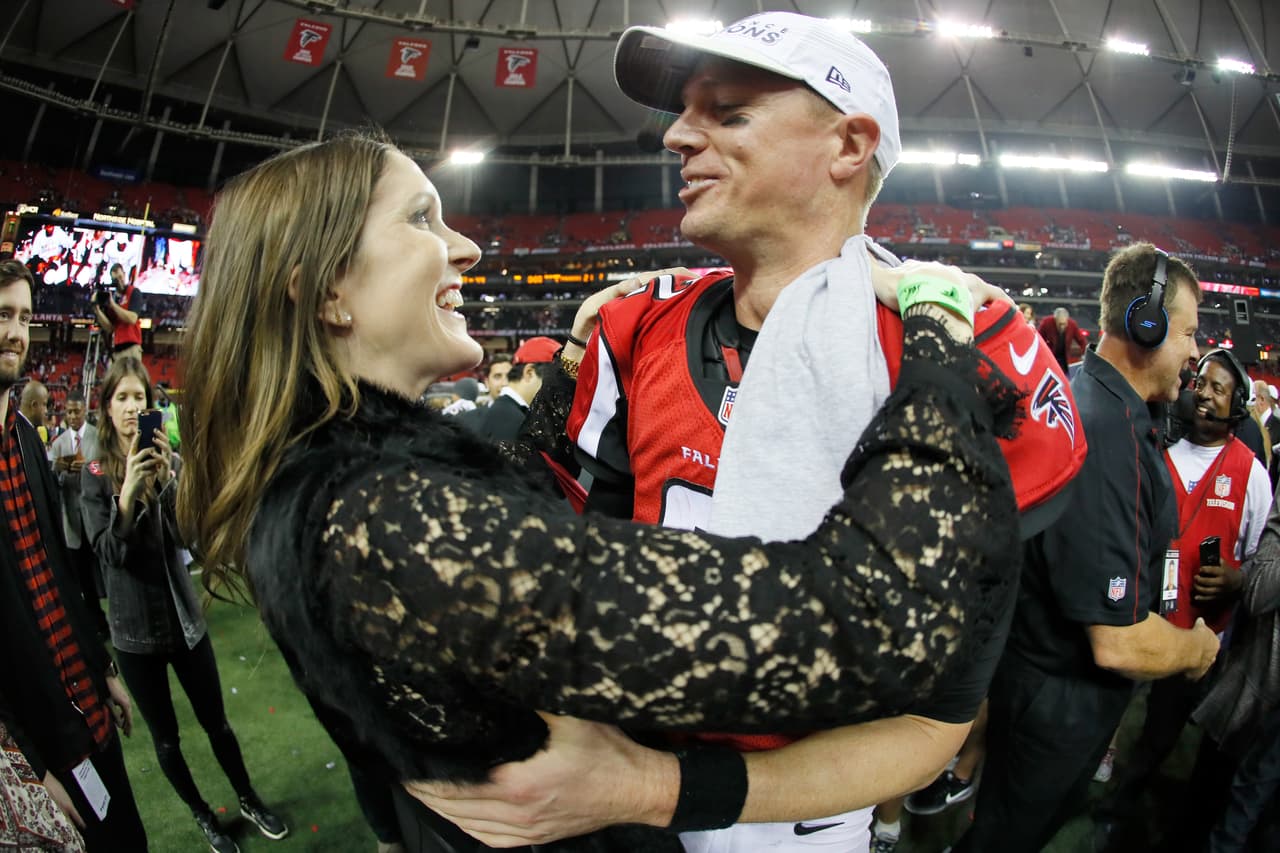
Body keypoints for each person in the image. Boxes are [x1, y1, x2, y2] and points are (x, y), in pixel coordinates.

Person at [175, 133, 1021, 853]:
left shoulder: (325, 473)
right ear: (324, 288)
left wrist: (578, 360)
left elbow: (503, 499)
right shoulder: (382, 521)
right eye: (420, 217)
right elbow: (868, 621)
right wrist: (940, 342)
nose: (465, 247)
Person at [412, 14, 1083, 853]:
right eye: (685, 110)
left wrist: (657, 788)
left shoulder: (968, 356)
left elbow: (931, 720)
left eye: (727, 111)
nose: (675, 136)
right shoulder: (631, 327)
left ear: (849, 146)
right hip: (614, 805)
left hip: (800, 818)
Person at [954, 243, 1220, 853]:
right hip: (1056, 707)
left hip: (1034, 685)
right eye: (1187, 333)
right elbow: (1117, 639)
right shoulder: (1108, 433)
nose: (1193, 351)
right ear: (1144, 326)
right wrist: (1193, 650)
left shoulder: (1087, 394)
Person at [81, 357, 288, 853]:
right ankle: (202, 816)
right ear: (107, 409)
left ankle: (247, 797)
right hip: (132, 633)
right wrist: (127, 494)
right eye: (124, 399)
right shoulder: (93, 474)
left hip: (184, 620)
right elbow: (109, 556)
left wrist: (168, 478)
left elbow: (189, 536)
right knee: (167, 739)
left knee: (217, 723)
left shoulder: (169, 463)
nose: (133, 409)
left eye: (141, 399)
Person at [1094, 348, 1272, 850]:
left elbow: (1261, 559)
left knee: (1168, 737)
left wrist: (1235, 581)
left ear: (1238, 404)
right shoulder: (1159, 453)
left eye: (1220, 388)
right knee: (1118, 718)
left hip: (1203, 638)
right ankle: (1109, 799)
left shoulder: (1252, 474)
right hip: (1142, 623)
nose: (1205, 395)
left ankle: (1144, 813)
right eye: (1202, 383)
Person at [0, 259, 148, 851]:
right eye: (3, 314)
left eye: (25, 317)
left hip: (87, 715)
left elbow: (59, 574)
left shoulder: (26, 441)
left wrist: (101, 666)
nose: (16, 331)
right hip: (39, 747)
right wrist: (27, 768)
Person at [49, 388, 107, 638]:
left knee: (106, 574)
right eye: (68, 411)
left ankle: (116, 620)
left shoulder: (98, 437)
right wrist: (60, 471)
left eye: (76, 411)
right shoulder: (59, 443)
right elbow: (53, 480)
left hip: (98, 519)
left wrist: (89, 467)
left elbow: (107, 467)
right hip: (73, 525)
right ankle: (98, 625)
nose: (72, 416)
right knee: (84, 582)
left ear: (85, 409)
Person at [476, 336, 559, 443]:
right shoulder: (513, 421)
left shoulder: (507, 412)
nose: (558, 388)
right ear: (529, 373)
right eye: (555, 379)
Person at [93, 263, 142, 362]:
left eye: (120, 277)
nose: (119, 281)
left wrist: (113, 305)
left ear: (124, 274)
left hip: (131, 346)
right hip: (117, 348)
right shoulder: (114, 298)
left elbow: (132, 318)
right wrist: (97, 310)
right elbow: (110, 328)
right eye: (116, 279)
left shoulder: (133, 292)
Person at [1038, 306, 1088, 370]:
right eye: (1060, 324)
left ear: (1067, 320)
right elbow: (1039, 338)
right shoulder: (1047, 322)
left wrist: (1084, 354)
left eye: (1064, 324)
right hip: (1050, 357)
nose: (1062, 326)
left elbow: (1082, 340)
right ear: (1055, 320)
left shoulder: (1072, 324)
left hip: (1064, 358)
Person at [18, 379, 50, 451]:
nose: (46, 411)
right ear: (34, 405)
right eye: (44, 404)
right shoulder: (19, 433)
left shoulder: (25, 429)